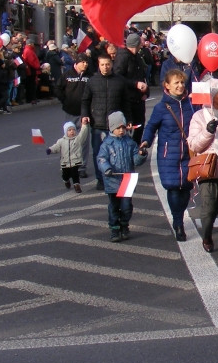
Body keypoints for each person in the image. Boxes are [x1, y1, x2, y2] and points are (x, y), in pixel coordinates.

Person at [141, 69, 196, 243]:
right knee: (173, 188)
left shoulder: (191, 104)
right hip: (168, 154)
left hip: (189, 153)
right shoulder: (161, 107)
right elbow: (151, 127)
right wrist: (145, 142)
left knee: (186, 188)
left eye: (182, 82)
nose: (180, 86)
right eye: (176, 83)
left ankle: (178, 215)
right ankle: (178, 221)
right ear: (167, 86)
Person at [186, 78, 218, 252]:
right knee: (208, 210)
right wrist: (208, 131)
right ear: (212, 96)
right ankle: (207, 235)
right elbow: (194, 145)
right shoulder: (199, 116)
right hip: (209, 169)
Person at [81, 54, 133, 192]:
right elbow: (85, 100)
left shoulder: (120, 81)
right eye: (102, 64)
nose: (105, 67)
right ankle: (100, 179)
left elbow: (126, 103)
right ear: (99, 65)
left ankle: (118, 178)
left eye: (108, 64)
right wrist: (85, 115)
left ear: (112, 64)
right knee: (98, 153)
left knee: (118, 152)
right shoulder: (92, 81)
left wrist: (128, 120)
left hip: (115, 126)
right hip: (98, 124)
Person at [96, 111, 147, 243]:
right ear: (112, 128)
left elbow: (135, 160)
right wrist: (106, 168)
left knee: (126, 206)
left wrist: (141, 154)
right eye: (118, 128)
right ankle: (114, 228)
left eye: (123, 127)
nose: (121, 130)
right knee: (113, 206)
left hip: (127, 179)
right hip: (112, 180)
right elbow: (101, 158)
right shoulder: (107, 144)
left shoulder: (129, 143)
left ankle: (124, 224)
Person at [56, 53, 91, 178]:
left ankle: (82, 167)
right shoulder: (67, 75)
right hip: (70, 112)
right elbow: (58, 89)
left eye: (87, 62)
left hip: (84, 114)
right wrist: (65, 101)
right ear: (76, 63)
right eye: (83, 62)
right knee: (69, 140)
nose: (85, 64)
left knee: (84, 141)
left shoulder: (90, 76)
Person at [46, 121, 90, 193]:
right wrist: (50, 150)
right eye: (69, 130)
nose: (72, 132)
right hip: (65, 162)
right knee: (65, 175)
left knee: (74, 173)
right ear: (66, 132)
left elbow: (83, 133)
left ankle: (77, 185)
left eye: (73, 130)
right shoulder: (61, 141)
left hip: (75, 161)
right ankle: (66, 180)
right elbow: (56, 147)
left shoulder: (78, 139)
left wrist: (84, 125)